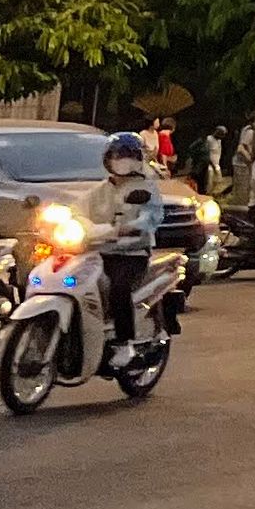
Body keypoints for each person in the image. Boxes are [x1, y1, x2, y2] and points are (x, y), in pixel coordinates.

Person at [80, 132, 169, 372]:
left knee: (118, 288)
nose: (122, 160)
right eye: (117, 155)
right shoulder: (99, 190)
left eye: (128, 155)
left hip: (131, 255)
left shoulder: (145, 189)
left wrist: (131, 227)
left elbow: (152, 217)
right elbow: (77, 211)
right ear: (107, 159)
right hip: (97, 252)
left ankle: (124, 343)